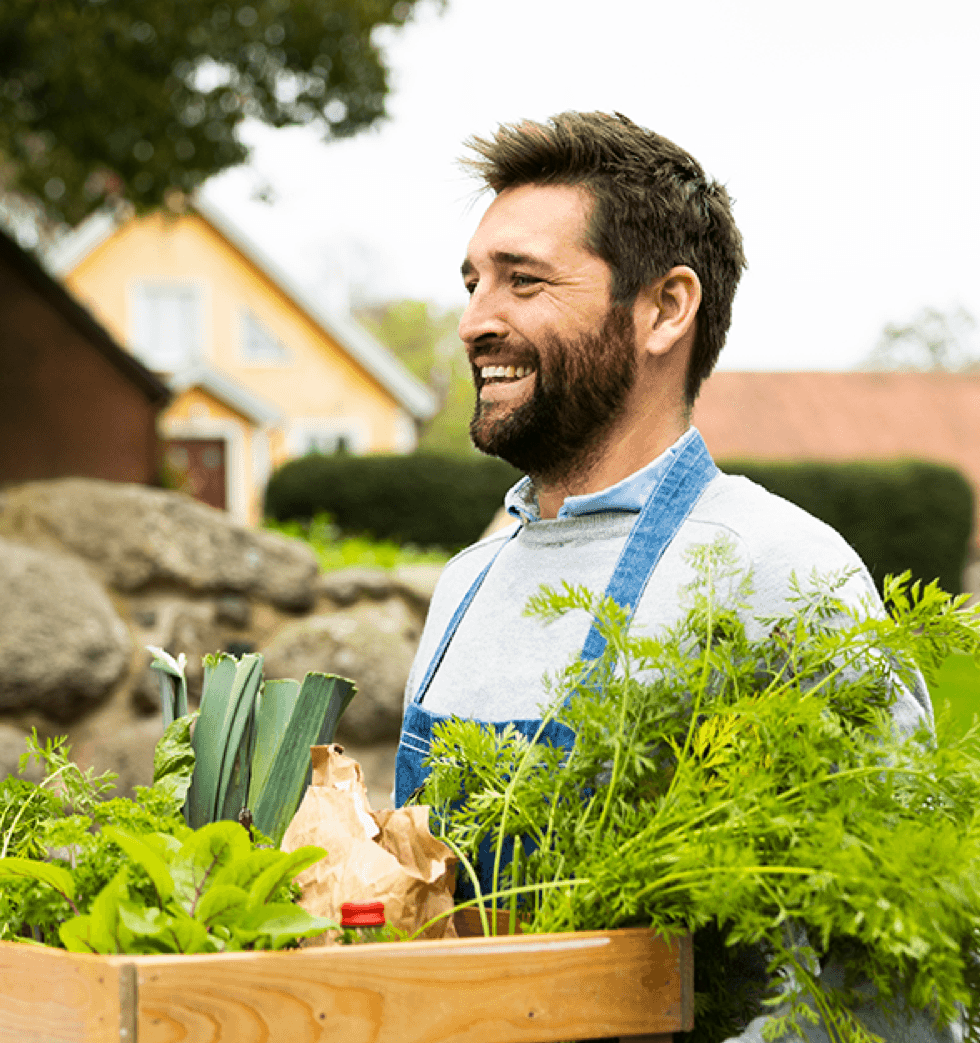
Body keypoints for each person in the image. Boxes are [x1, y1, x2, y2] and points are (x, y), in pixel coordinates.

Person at [392, 111, 943, 1042]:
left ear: (664, 308)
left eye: (524, 281)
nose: (475, 319)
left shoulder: (779, 570)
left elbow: (890, 971)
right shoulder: (467, 583)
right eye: (475, 281)